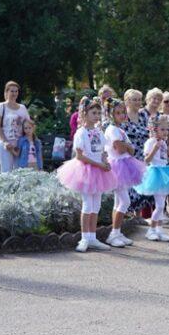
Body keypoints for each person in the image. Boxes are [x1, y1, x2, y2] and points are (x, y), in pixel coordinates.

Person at [56, 98, 117, 253]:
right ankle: (84, 238)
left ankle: (93, 237)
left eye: (98, 113)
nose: (97, 116)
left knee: (96, 204)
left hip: (99, 170)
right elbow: (80, 156)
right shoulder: (81, 133)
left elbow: (103, 151)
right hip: (86, 171)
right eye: (93, 113)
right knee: (87, 204)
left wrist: (105, 161)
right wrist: (99, 164)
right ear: (85, 113)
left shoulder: (98, 131)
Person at [136, 117, 169, 241]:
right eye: (162, 129)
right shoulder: (151, 142)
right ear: (154, 129)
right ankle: (151, 230)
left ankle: (158, 230)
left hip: (164, 172)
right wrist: (155, 148)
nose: (166, 132)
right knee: (159, 206)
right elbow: (146, 160)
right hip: (155, 173)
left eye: (167, 129)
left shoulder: (163, 142)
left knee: (161, 204)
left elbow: (163, 160)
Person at [104, 99, 145, 247]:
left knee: (118, 201)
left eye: (122, 112)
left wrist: (127, 146)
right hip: (118, 166)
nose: (121, 115)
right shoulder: (112, 129)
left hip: (125, 164)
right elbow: (120, 149)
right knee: (125, 201)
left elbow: (132, 150)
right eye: (118, 113)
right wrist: (127, 146)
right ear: (110, 114)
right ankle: (113, 234)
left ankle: (117, 232)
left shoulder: (120, 129)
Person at [0, 81, 30, 173]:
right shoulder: (1, 106)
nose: (14, 93)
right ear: (6, 92)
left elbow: (28, 125)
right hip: (6, 144)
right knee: (6, 173)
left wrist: (28, 141)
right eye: (12, 91)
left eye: (16, 91)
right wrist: (5, 142)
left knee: (20, 173)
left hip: (20, 145)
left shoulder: (22, 108)